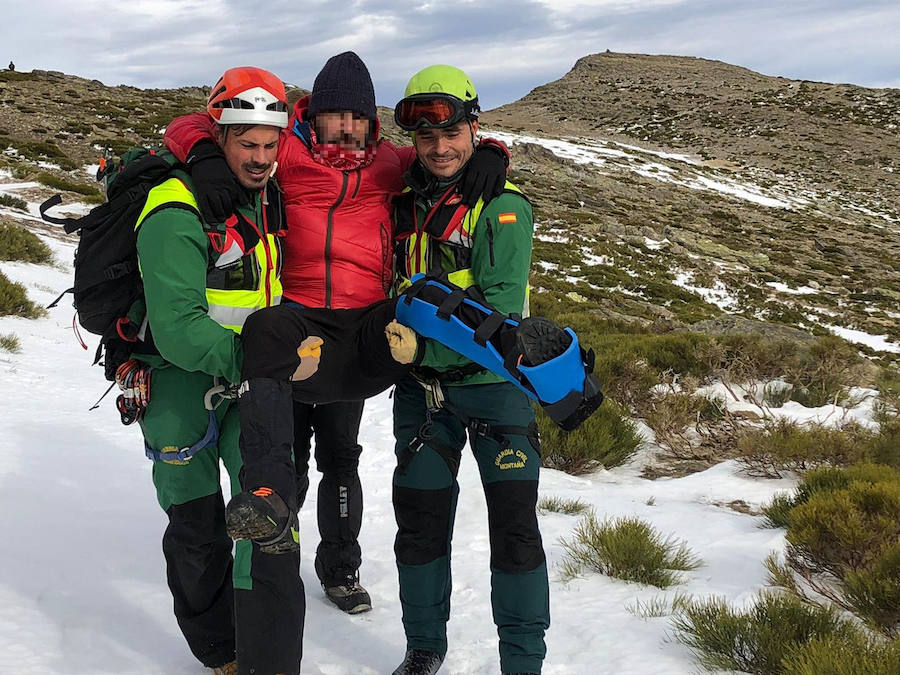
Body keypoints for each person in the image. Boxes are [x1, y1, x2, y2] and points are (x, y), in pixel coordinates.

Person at [164, 51, 510, 615]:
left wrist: (495, 151)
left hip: (359, 325)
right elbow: (192, 125)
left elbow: (445, 149)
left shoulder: (389, 164)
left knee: (342, 456)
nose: (345, 128)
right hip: (295, 323)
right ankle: (277, 553)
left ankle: (341, 568)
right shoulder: (287, 152)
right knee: (288, 457)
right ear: (312, 116)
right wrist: (202, 153)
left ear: (371, 122)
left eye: (356, 117)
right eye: (333, 117)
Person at [132, 66, 302, 675]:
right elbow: (177, 327)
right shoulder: (176, 208)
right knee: (197, 524)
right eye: (245, 143)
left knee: (267, 513)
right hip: (181, 386)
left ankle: (265, 652)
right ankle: (218, 652)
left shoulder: (266, 193)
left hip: (251, 385)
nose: (259, 158)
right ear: (220, 136)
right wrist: (265, 360)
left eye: (268, 144)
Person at [388, 65, 549, 675]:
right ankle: (424, 648)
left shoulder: (503, 210)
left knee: (514, 533)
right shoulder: (404, 201)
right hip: (422, 399)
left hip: (496, 393)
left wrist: (421, 354)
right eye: (426, 137)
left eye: (452, 131)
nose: (440, 147)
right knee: (421, 528)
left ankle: (522, 663)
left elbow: (500, 322)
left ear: (475, 127)